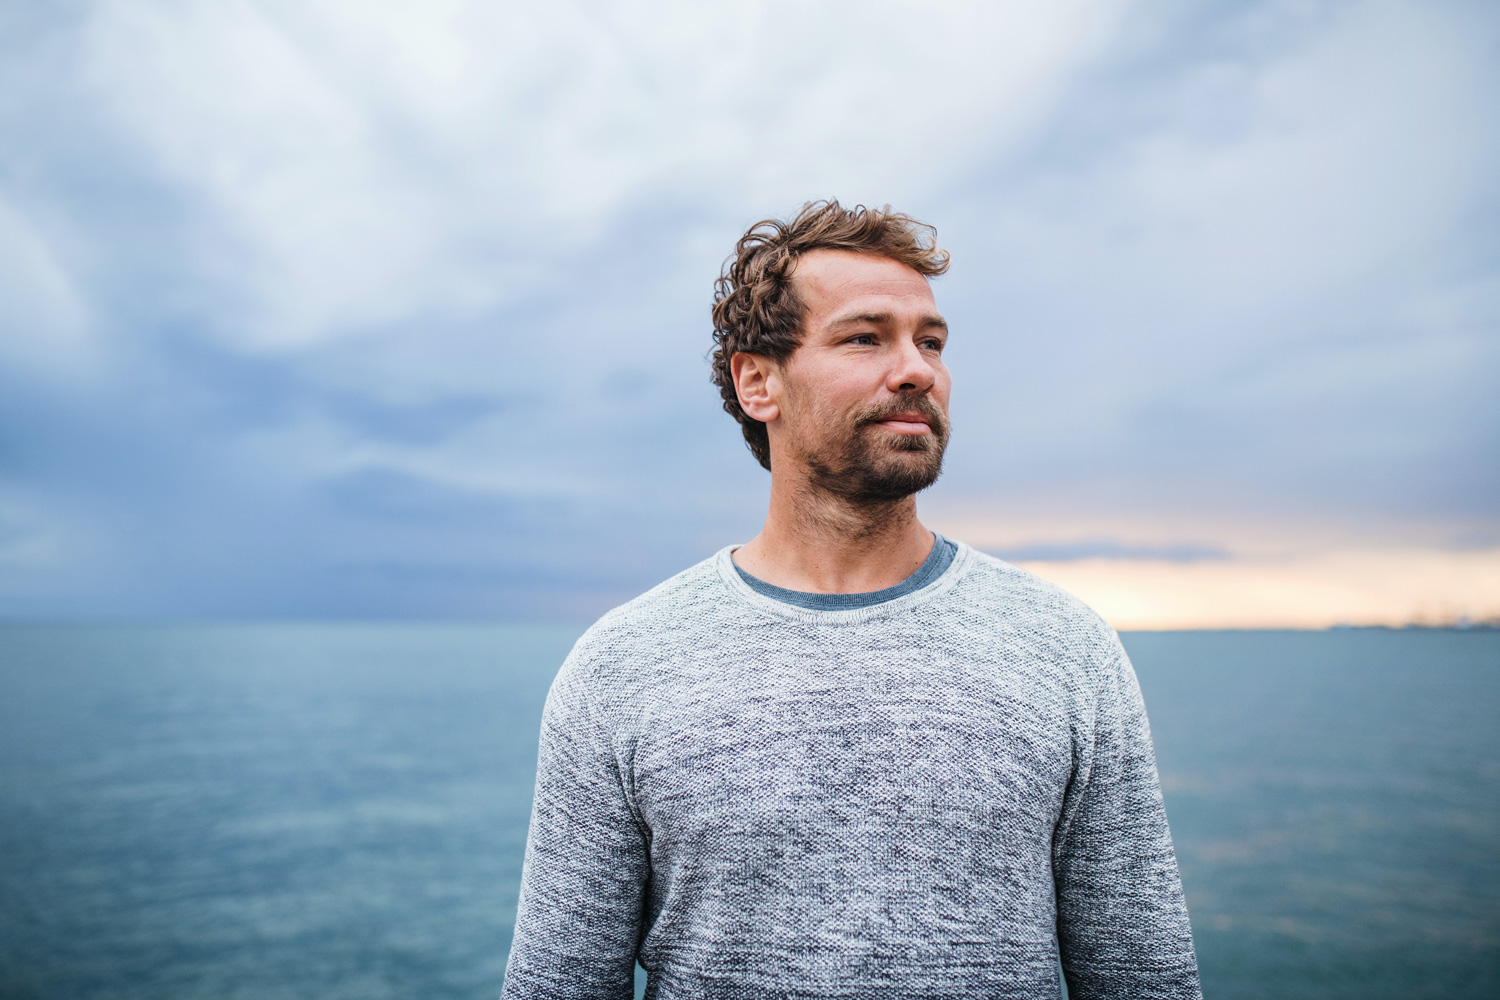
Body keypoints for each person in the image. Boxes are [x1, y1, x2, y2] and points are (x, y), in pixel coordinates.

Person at [501, 201, 1201, 999]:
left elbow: (1145, 977)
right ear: (757, 380)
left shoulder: (1065, 646)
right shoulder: (622, 666)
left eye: (930, 341)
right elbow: (559, 985)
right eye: (866, 337)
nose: (917, 370)